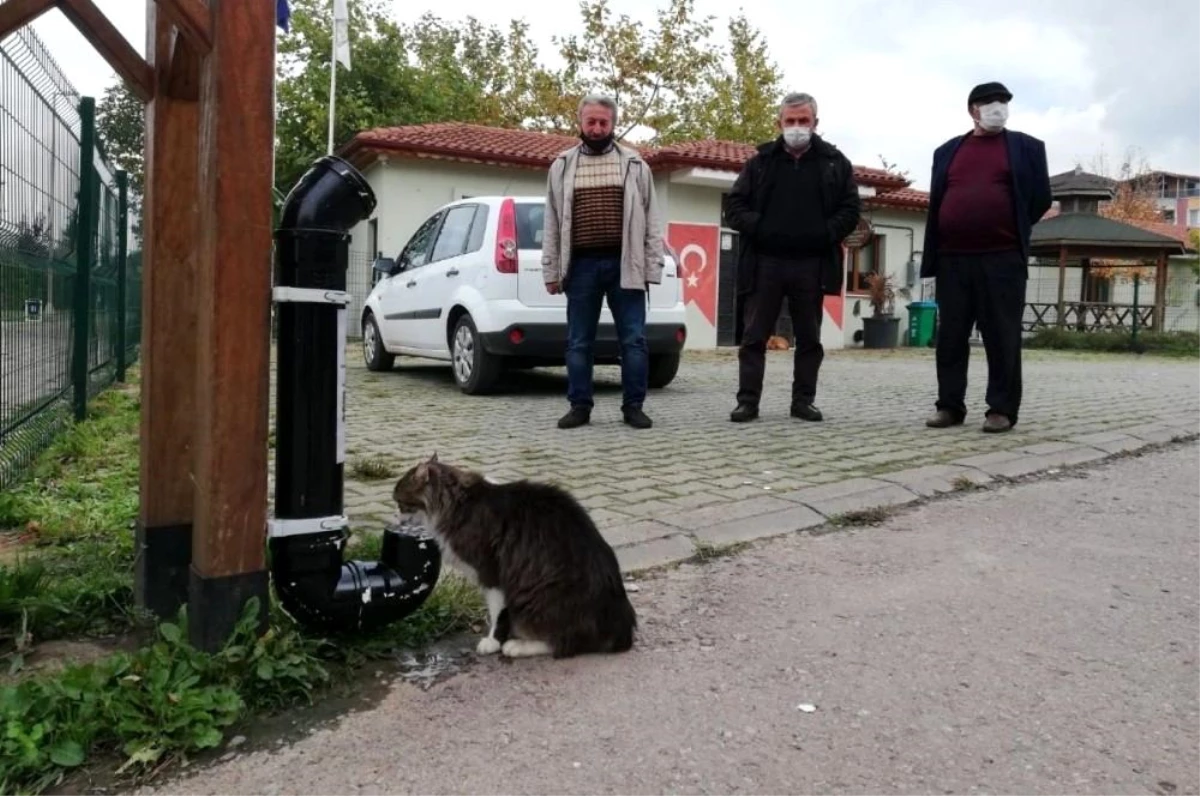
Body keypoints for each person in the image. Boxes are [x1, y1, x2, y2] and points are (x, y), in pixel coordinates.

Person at [921, 81, 1052, 434]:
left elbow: (1039, 199)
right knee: (950, 335)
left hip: (1003, 257)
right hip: (953, 258)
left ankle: (1001, 409)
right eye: (990, 102)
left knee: (1002, 335)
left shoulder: (1027, 148)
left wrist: (1005, 224)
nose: (998, 107)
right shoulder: (947, 151)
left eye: (1004, 102)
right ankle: (949, 406)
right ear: (972, 110)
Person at [724, 92, 862, 423]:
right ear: (779, 123)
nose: (797, 127)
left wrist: (824, 233)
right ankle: (748, 402)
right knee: (754, 336)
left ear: (815, 123)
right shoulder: (760, 162)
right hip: (764, 262)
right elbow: (734, 207)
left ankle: (803, 402)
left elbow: (851, 209)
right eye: (791, 121)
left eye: (804, 121)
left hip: (812, 264)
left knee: (810, 338)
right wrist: (762, 227)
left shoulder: (834, 162)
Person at [541, 94, 664, 431]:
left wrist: (652, 267)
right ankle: (579, 406)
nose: (596, 128)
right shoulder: (562, 166)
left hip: (626, 264)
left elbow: (652, 220)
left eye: (603, 123)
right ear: (580, 122)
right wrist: (551, 270)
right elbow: (552, 222)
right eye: (591, 122)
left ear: (613, 124)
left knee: (634, 341)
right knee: (578, 341)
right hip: (580, 267)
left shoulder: (636, 165)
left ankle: (633, 407)